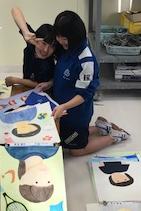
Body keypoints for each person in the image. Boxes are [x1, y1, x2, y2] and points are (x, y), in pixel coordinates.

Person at [36, 11, 130, 156]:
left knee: (76, 150)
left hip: (76, 114)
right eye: (58, 37)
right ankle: (102, 128)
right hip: (63, 109)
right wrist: (50, 83)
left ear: (74, 37)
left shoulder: (86, 60)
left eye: (64, 38)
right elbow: (62, 75)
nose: (60, 41)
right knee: (65, 137)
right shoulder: (66, 48)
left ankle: (114, 136)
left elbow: (84, 94)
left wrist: (64, 106)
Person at [5, 7, 56, 92]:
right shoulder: (32, 41)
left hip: (41, 92)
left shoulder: (47, 64)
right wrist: (25, 32)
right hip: (26, 86)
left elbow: (39, 84)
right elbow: (15, 9)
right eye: (43, 43)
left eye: (52, 46)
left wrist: (16, 80)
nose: (46, 50)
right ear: (36, 39)